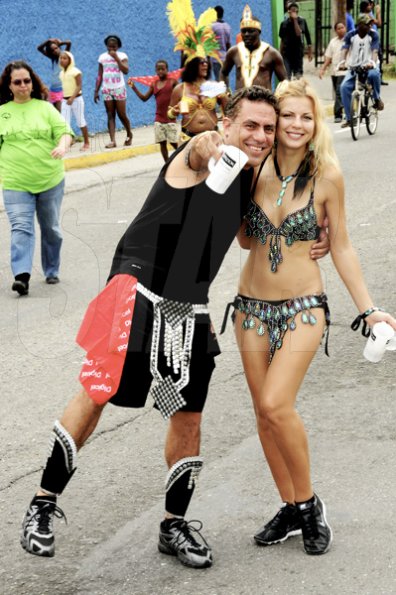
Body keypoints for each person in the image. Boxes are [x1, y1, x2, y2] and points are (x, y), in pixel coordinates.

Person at [19, 85, 329, 568]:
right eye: (250, 125)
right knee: (97, 393)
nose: (261, 136)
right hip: (137, 285)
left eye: (268, 128)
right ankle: (41, 504)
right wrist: (218, 149)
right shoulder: (203, 152)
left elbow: (257, 234)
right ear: (227, 123)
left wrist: (317, 233)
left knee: (188, 415)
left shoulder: (251, 179)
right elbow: (203, 146)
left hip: (190, 303)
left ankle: (173, 525)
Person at [225, 78, 396, 556]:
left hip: (303, 306)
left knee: (278, 404)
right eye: (289, 116)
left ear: (316, 123)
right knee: (264, 415)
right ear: (275, 122)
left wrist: (369, 308)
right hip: (250, 308)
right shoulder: (252, 170)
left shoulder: (328, 177)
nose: (297, 125)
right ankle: (289, 505)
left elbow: (340, 246)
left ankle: (308, 504)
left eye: (307, 116)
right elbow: (243, 241)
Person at [0, 61, 73, 296]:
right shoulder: (2, 113)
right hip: (15, 182)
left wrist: (62, 146)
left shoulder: (45, 108)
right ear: (9, 86)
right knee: (21, 227)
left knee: (50, 228)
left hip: (49, 179)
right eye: (17, 82)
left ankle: (51, 269)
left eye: (27, 81)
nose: (23, 85)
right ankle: (22, 276)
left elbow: (64, 132)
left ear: (33, 82)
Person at [221, 4, 287, 89]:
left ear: (259, 32)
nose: (246, 34)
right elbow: (223, 73)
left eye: (251, 31)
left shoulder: (272, 53)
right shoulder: (234, 52)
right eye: (244, 31)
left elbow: (284, 81)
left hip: (264, 101)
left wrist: (277, 98)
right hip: (240, 101)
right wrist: (225, 93)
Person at [168, 57, 228, 143]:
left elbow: (229, 112)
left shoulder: (214, 86)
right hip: (189, 139)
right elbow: (169, 115)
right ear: (192, 65)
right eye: (201, 62)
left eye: (206, 62)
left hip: (213, 138)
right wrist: (174, 112)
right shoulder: (180, 88)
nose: (205, 64)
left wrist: (224, 98)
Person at [339, 14, 384, 129]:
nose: (370, 26)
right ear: (359, 25)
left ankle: (377, 98)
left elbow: (374, 51)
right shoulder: (351, 35)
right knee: (344, 87)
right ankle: (350, 118)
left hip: (369, 65)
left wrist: (372, 63)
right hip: (354, 67)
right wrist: (342, 62)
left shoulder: (373, 35)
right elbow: (344, 49)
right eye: (367, 24)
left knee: (374, 74)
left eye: (371, 24)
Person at [129, 60, 178, 162]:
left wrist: (178, 108)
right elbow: (144, 98)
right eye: (158, 69)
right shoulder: (154, 84)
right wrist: (133, 87)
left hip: (170, 118)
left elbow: (181, 94)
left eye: (163, 69)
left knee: (173, 142)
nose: (160, 71)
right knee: (162, 142)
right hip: (158, 118)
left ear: (167, 70)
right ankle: (167, 164)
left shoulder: (173, 82)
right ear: (156, 70)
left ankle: (182, 157)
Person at [94, 35, 133, 148]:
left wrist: (116, 57)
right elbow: (100, 75)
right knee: (110, 115)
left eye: (114, 47)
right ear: (106, 45)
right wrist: (96, 90)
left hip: (119, 88)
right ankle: (113, 141)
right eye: (109, 46)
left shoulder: (122, 56)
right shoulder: (102, 57)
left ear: (118, 46)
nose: (111, 49)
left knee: (122, 114)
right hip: (106, 89)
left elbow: (125, 70)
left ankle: (129, 134)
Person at [59, 51, 90, 151]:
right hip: (65, 100)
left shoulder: (76, 71)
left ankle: (86, 142)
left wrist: (72, 97)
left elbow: (79, 85)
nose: (62, 60)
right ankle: (68, 142)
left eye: (65, 58)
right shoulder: (61, 73)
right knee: (64, 123)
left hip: (76, 99)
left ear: (70, 60)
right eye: (61, 58)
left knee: (80, 121)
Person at [319, 22, 347, 123]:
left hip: (345, 71)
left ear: (345, 28)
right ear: (336, 30)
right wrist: (323, 69)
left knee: (339, 91)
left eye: (342, 27)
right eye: (338, 28)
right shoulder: (333, 42)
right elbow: (328, 57)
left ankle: (338, 114)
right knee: (338, 92)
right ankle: (346, 109)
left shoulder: (349, 40)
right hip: (334, 71)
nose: (341, 30)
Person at [279, 2, 313, 80]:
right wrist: (280, 54)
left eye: (296, 11)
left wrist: (309, 52)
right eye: (292, 11)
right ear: (288, 12)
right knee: (286, 77)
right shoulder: (284, 24)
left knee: (298, 77)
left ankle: (298, 91)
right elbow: (282, 40)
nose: (294, 12)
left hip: (298, 53)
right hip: (287, 54)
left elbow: (300, 34)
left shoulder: (302, 21)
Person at [37, 37, 71, 112]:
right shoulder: (54, 59)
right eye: (52, 50)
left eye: (56, 48)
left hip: (61, 89)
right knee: (56, 114)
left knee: (60, 115)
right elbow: (39, 48)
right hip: (53, 89)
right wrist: (48, 41)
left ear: (59, 47)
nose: (55, 51)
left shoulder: (64, 57)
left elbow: (69, 43)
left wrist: (60, 43)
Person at [211, 6, 231, 81]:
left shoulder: (212, 26)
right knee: (225, 79)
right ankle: (227, 92)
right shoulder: (227, 26)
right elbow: (228, 44)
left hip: (216, 58)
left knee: (218, 79)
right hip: (225, 57)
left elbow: (210, 43)